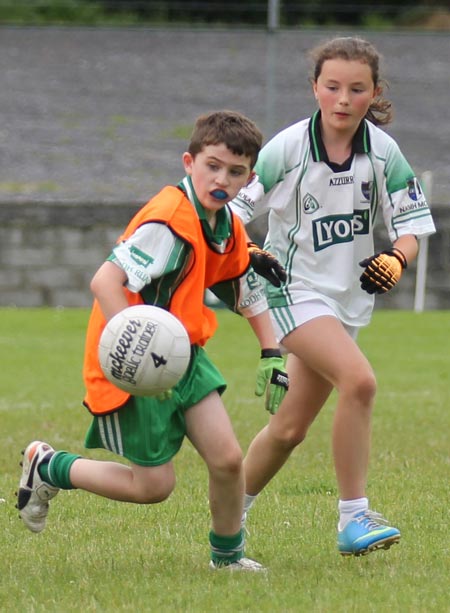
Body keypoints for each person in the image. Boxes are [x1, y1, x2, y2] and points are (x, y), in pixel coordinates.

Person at [16, 110, 289, 571]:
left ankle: (227, 559)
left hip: (183, 354)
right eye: (213, 166)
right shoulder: (168, 221)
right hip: (132, 361)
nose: (222, 179)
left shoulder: (224, 224)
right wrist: (134, 344)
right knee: (153, 487)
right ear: (189, 162)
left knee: (227, 460)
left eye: (235, 171)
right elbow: (105, 281)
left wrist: (271, 351)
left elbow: (244, 287)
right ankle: (49, 466)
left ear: (248, 178)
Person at [230, 37, 436, 557]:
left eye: (356, 88)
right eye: (332, 86)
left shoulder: (383, 152)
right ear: (315, 89)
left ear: (375, 93)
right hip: (290, 292)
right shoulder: (287, 148)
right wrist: (251, 250)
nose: (343, 98)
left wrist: (396, 258)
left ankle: (227, 519)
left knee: (290, 429)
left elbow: (410, 227)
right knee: (360, 381)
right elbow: (230, 214)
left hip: (344, 302)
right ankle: (353, 518)